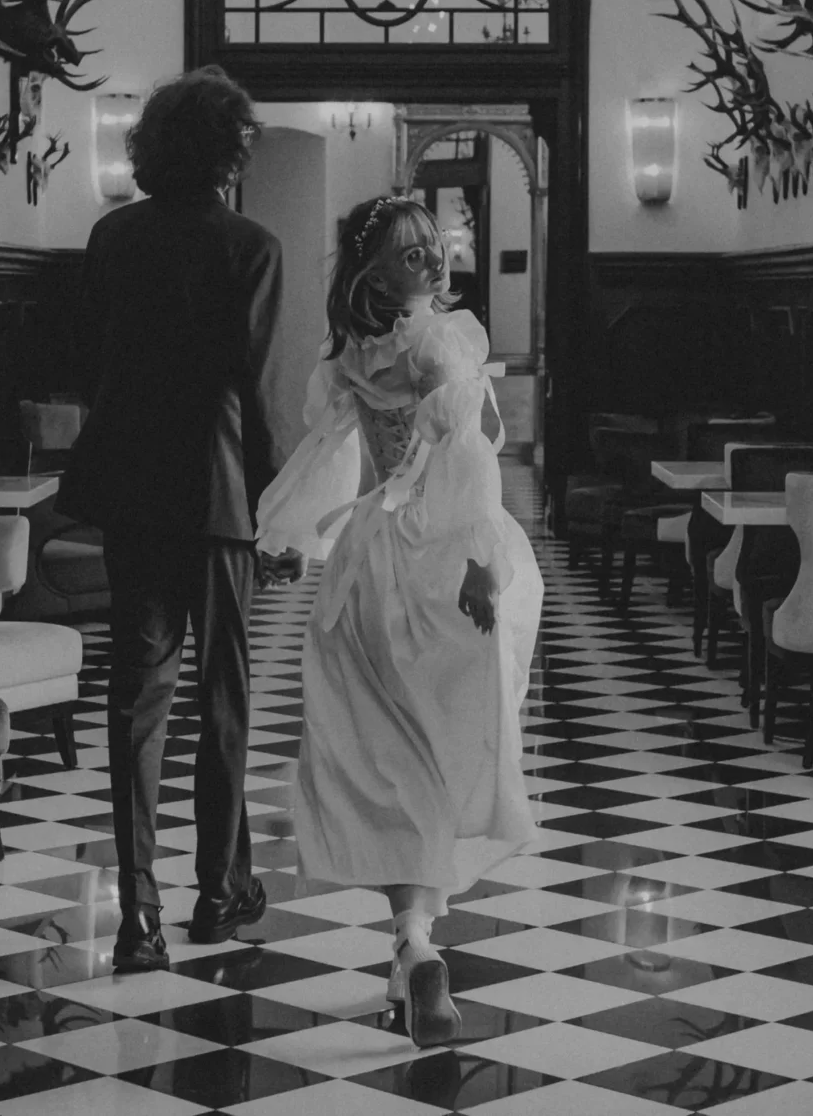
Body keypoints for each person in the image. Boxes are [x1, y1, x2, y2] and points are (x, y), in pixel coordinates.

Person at [255, 195, 544, 1048]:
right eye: (410, 252)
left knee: (395, 755)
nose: (433, 258)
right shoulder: (436, 340)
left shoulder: (354, 347)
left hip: (368, 560)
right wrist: (484, 560)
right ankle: (417, 942)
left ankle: (413, 942)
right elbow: (466, 458)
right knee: (441, 746)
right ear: (372, 270)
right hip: (433, 558)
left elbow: (330, 451)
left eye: (433, 244)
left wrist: (289, 534)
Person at [57, 66, 283, 971]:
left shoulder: (111, 236)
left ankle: (138, 916)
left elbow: (87, 362)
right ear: (227, 150)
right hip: (218, 493)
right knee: (224, 701)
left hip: (131, 488)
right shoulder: (251, 245)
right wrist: (275, 503)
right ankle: (219, 892)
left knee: (136, 705)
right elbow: (254, 390)